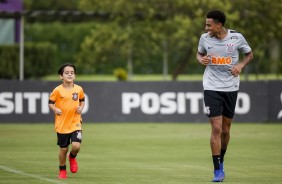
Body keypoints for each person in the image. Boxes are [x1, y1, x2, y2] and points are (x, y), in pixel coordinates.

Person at [196, 10, 253, 182]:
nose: (206, 28)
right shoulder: (204, 38)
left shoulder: (237, 38)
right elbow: (199, 53)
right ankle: (217, 170)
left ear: (219, 25)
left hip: (231, 87)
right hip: (211, 86)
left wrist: (241, 65)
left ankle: (221, 161)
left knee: (226, 130)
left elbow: (249, 54)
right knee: (216, 128)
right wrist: (200, 59)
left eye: (209, 25)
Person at [49, 63, 85, 179]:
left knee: (76, 146)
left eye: (72, 73)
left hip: (75, 122)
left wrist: (81, 107)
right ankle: (62, 170)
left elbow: (82, 100)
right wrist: (55, 109)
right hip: (62, 124)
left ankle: (72, 157)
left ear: (75, 75)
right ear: (61, 76)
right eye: (67, 73)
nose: (70, 75)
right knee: (63, 149)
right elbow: (50, 103)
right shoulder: (57, 90)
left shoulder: (78, 89)